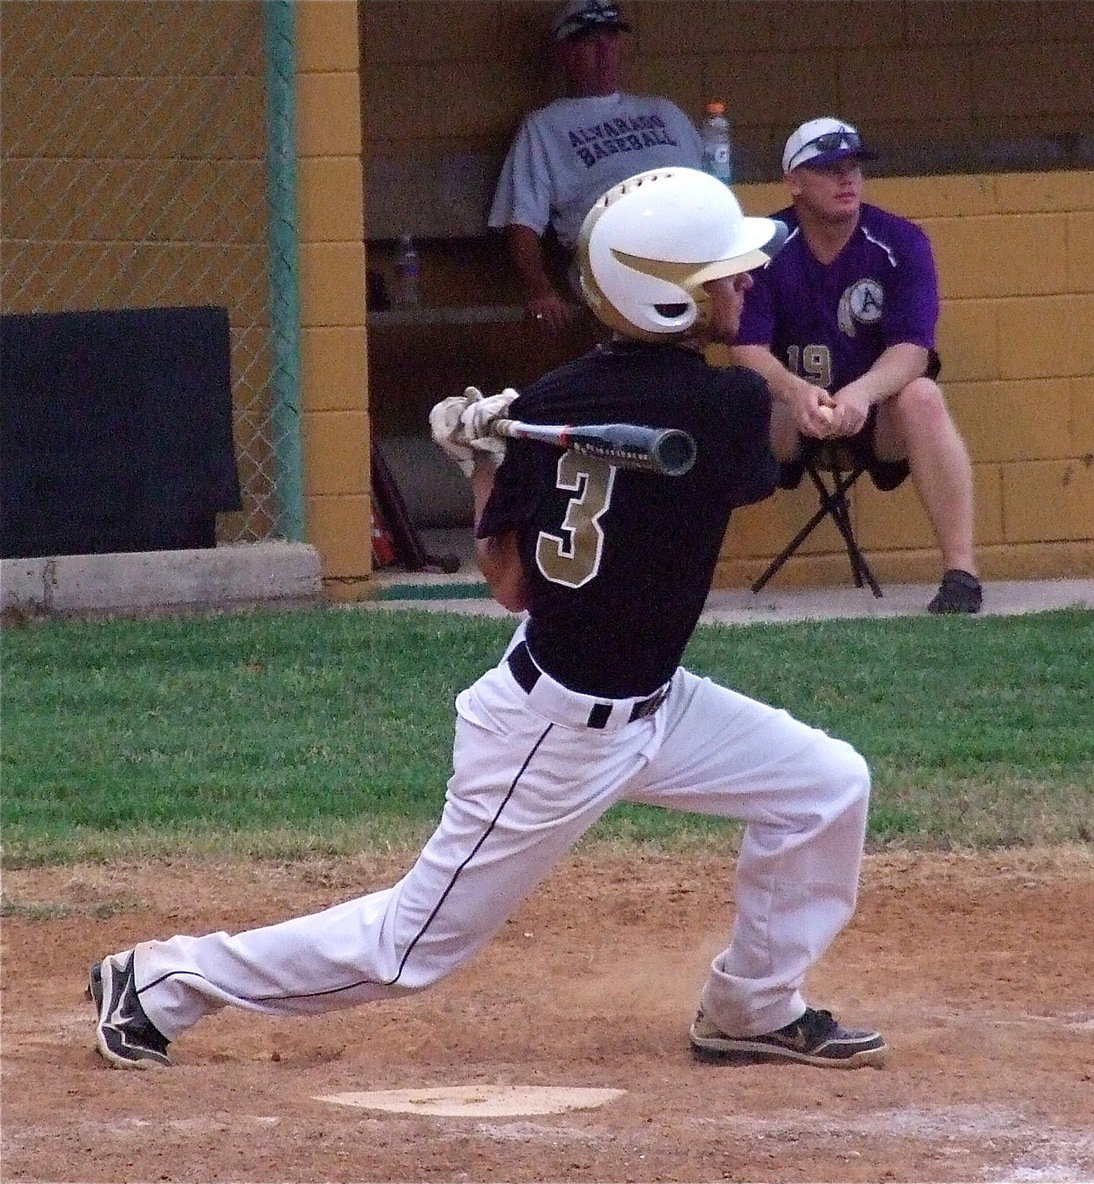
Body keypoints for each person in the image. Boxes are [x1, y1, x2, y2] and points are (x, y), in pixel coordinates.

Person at [87, 167, 886, 1074]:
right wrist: (504, 451)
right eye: (726, 274)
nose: (748, 283)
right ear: (667, 297)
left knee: (825, 786)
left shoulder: (554, 406)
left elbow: (506, 580)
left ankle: (750, 1008)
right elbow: (552, 565)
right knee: (406, 949)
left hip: (655, 704)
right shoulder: (715, 403)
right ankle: (159, 983)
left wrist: (482, 458)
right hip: (555, 734)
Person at [730, 116, 983, 614]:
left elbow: (913, 349)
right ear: (794, 181)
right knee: (729, 397)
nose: (847, 180)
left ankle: (962, 573)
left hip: (877, 415)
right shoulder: (762, 250)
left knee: (924, 395)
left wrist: (861, 394)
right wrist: (794, 390)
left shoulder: (902, 242)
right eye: (828, 169)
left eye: (854, 168)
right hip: (793, 415)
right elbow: (746, 347)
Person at [487, 0, 702, 337]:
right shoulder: (545, 127)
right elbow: (522, 224)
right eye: (590, 42)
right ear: (564, 54)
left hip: (694, 258)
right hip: (616, 269)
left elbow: (718, 186)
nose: (605, 52)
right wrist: (541, 290)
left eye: (612, 40)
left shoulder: (666, 112)